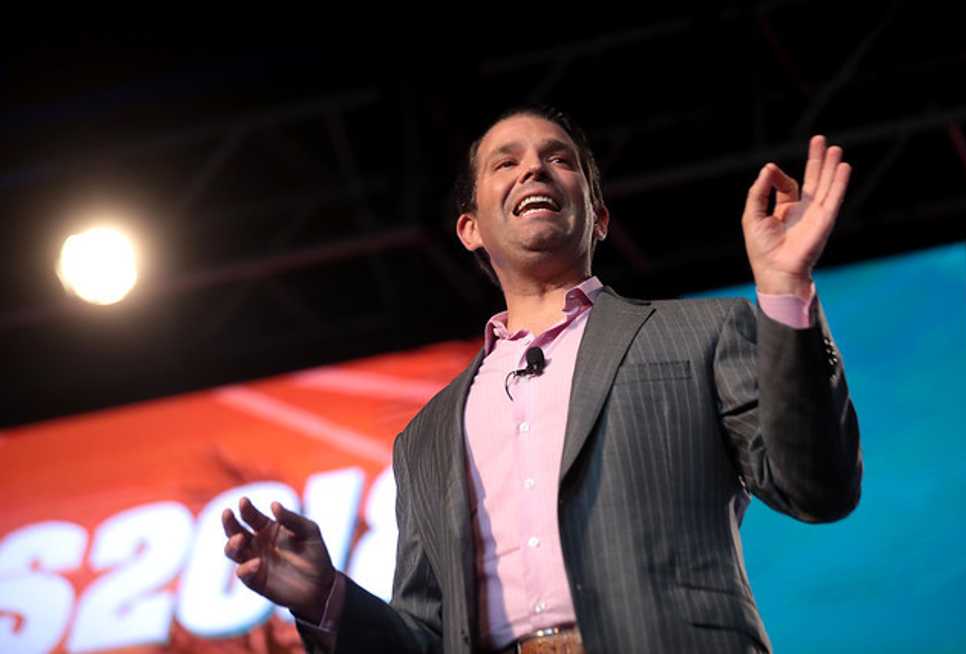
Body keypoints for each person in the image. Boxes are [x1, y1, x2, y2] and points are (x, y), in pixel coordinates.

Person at [222, 106, 862, 654]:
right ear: (471, 229)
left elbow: (817, 486)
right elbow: (427, 635)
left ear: (599, 217)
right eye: (506, 162)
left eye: (558, 159)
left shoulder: (700, 334)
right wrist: (325, 597)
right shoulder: (424, 437)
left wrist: (786, 289)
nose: (533, 169)